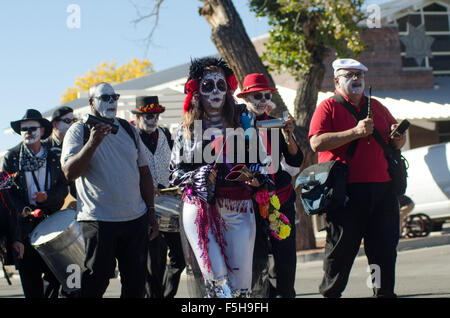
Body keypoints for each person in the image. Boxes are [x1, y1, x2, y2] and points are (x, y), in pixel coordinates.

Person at [308, 58, 406, 298]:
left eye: (359, 75)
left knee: (383, 250)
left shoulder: (378, 106)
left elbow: (396, 141)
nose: (356, 79)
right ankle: (331, 294)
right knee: (341, 249)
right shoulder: (328, 106)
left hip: (383, 191)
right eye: (349, 75)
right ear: (336, 81)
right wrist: (354, 132)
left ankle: (382, 293)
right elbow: (315, 142)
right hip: (346, 192)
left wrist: (397, 139)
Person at [169, 57, 265, 297]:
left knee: (241, 285)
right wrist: (199, 175)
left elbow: (261, 161)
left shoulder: (245, 120)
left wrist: (256, 177)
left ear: (229, 89)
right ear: (197, 91)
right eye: (208, 86)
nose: (215, 92)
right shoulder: (185, 128)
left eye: (221, 85)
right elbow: (173, 174)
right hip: (199, 210)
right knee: (218, 283)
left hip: (238, 207)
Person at [61, 82, 159, 298]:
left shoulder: (128, 129)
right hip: (99, 220)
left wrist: (151, 212)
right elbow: (69, 172)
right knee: (94, 282)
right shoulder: (79, 131)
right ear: (91, 102)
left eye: (114, 97)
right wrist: (93, 143)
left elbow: (144, 173)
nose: (111, 102)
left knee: (135, 285)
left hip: (135, 219)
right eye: (105, 98)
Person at [237, 73, 303, 298]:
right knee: (256, 259)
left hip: (279, 198)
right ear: (246, 97)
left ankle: (286, 293)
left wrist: (289, 135)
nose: (263, 99)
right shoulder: (236, 124)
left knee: (285, 257)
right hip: (249, 201)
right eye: (258, 95)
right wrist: (249, 178)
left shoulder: (276, 123)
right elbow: (230, 161)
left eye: (266, 95)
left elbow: (295, 160)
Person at [1, 109, 68, 298]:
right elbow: (6, 192)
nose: (28, 132)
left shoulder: (54, 156)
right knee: (30, 282)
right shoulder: (11, 158)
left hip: (52, 225)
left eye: (32, 128)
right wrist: (22, 209)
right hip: (23, 228)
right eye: (24, 129)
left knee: (54, 280)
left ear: (42, 131)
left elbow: (63, 188)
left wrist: (48, 197)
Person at [131, 95, 185, 298]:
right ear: (138, 118)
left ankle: (166, 295)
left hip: (169, 203)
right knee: (155, 263)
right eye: (148, 116)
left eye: (155, 116)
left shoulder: (164, 134)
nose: (153, 120)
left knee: (179, 259)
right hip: (146, 207)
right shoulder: (132, 138)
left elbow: (174, 163)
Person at [42, 106, 77, 201]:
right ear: (55, 124)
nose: (73, 124)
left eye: (74, 120)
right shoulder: (44, 147)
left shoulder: (78, 143)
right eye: (67, 121)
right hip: (51, 199)